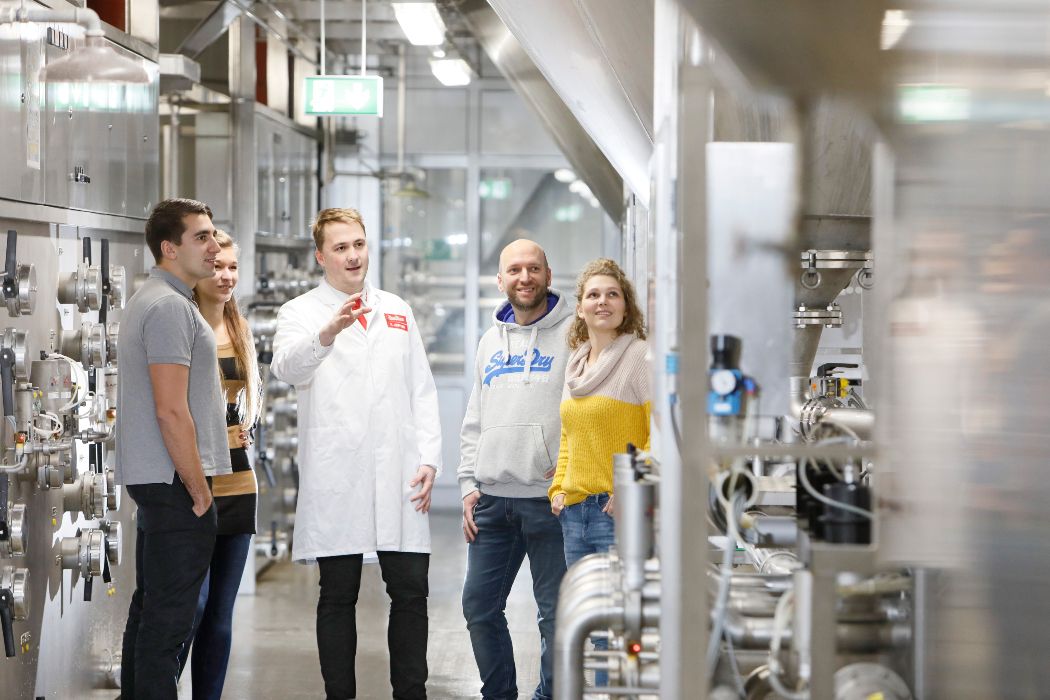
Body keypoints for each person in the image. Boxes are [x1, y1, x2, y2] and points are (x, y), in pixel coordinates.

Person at [270, 207, 441, 700]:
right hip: (337, 477)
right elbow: (287, 368)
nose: (353, 255)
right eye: (341, 247)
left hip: (400, 475)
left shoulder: (397, 308)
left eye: (359, 244)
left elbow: (422, 389)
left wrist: (428, 458)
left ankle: (412, 693)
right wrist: (328, 332)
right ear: (320, 255)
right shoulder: (300, 312)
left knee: (410, 592)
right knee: (337, 595)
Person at [116, 198, 231, 700]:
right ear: (169, 248)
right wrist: (198, 490)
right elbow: (170, 409)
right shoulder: (166, 307)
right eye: (200, 237)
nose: (212, 245)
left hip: (161, 481)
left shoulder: (166, 298)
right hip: (173, 482)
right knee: (168, 625)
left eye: (212, 234)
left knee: (152, 611)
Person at [459, 239, 573, 700]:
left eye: (533, 269)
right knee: (480, 607)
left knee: (557, 615)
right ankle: (499, 695)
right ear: (500, 280)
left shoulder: (576, 334)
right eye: (514, 270)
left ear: (548, 274)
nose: (524, 278)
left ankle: (550, 696)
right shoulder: (490, 340)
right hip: (492, 502)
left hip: (552, 504)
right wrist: (468, 483)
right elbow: (475, 418)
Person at [548, 258, 650, 687]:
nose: (602, 302)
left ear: (626, 307)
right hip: (574, 513)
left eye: (613, 294)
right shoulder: (577, 364)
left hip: (616, 513)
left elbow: (659, 433)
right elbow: (570, 435)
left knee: (618, 630)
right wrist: (558, 486)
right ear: (580, 307)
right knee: (586, 627)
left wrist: (632, 486)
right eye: (593, 294)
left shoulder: (640, 357)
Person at [176, 230, 262, 699]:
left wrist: (245, 425)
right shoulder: (183, 324)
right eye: (218, 265)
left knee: (220, 616)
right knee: (193, 605)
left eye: (233, 267)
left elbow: (244, 403)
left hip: (238, 482)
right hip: (194, 482)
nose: (226, 275)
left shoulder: (240, 329)